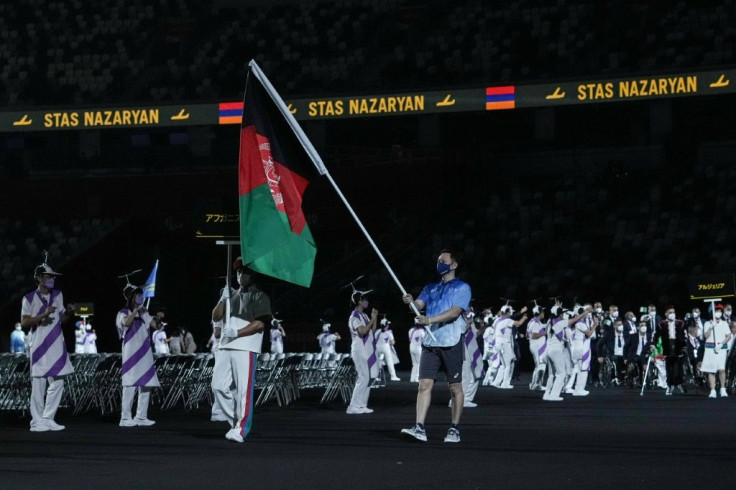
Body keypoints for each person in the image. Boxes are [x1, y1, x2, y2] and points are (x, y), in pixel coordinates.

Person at [401, 248, 471, 443]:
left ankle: (454, 429)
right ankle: (419, 427)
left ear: (454, 265)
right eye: (438, 260)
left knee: (455, 387)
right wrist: (410, 301)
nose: (439, 263)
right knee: (424, 385)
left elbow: (455, 312)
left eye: (443, 260)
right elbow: (418, 305)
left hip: (451, 342)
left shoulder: (462, 288)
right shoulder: (430, 287)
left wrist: (429, 320)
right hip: (430, 343)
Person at [211, 258, 272, 443]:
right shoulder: (229, 294)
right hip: (225, 345)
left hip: (246, 346)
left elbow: (260, 323)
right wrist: (223, 298)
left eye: (244, 272)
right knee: (218, 386)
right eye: (237, 272)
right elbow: (216, 316)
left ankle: (241, 428)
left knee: (244, 391)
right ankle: (235, 422)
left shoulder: (260, 296)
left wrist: (237, 332)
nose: (239, 275)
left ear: (252, 275)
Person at [21, 261, 75, 432]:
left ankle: (48, 417)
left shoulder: (58, 295)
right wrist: (43, 314)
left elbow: (60, 319)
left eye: (52, 277)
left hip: (57, 343)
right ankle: (36, 421)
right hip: (38, 345)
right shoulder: (28, 298)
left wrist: (68, 313)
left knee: (59, 381)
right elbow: (24, 323)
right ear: (38, 278)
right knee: (39, 384)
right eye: (48, 276)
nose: (52, 279)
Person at [116, 284, 159, 427]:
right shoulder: (122, 312)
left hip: (145, 351)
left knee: (146, 384)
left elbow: (155, 326)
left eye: (141, 295)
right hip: (131, 352)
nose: (141, 297)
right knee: (129, 384)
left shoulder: (144, 313)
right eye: (139, 295)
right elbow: (126, 323)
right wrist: (135, 311)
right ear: (131, 297)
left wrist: (158, 318)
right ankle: (125, 417)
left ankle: (141, 416)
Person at [346, 287, 379, 414]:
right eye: (365, 299)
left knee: (370, 377)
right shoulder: (354, 316)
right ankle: (353, 406)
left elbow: (372, 331)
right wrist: (372, 320)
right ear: (359, 301)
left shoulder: (364, 315)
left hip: (368, 349)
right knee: (363, 377)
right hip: (359, 350)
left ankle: (362, 405)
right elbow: (362, 332)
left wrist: (374, 318)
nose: (367, 301)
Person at [650, 305, 686, 395]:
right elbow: (656, 336)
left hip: (679, 347)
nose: (672, 314)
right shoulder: (661, 324)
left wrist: (685, 347)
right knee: (669, 369)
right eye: (670, 313)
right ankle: (669, 386)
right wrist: (653, 344)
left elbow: (684, 336)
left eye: (673, 312)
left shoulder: (680, 323)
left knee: (679, 369)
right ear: (666, 314)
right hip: (667, 347)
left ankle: (680, 383)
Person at [701, 304, 732, 398]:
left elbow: (729, 335)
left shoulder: (724, 323)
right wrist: (711, 327)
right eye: (716, 311)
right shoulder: (707, 323)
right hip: (710, 349)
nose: (718, 313)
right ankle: (713, 390)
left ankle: (723, 389)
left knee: (722, 369)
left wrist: (722, 344)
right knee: (711, 370)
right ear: (712, 312)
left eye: (720, 311)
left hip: (721, 348)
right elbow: (706, 336)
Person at [527, 305, 548, 391]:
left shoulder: (532, 321)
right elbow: (534, 335)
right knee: (541, 365)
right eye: (542, 311)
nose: (544, 313)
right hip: (537, 346)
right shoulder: (535, 323)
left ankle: (533, 384)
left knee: (538, 365)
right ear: (539, 313)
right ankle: (537, 385)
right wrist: (545, 333)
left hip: (535, 346)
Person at [377, 317, 400, 381]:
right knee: (390, 362)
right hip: (385, 347)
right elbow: (392, 342)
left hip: (377, 348)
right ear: (385, 325)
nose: (388, 326)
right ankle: (393, 376)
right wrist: (391, 343)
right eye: (387, 324)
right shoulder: (389, 332)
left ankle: (378, 377)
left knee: (379, 362)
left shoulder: (377, 331)